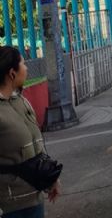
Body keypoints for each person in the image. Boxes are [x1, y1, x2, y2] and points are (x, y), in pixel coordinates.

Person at [0, 46, 62, 217]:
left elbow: (36, 147)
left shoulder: (21, 102)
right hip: (9, 207)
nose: (26, 68)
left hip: (33, 199)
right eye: (23, 64)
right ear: (12, 73)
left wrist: (51, 178)